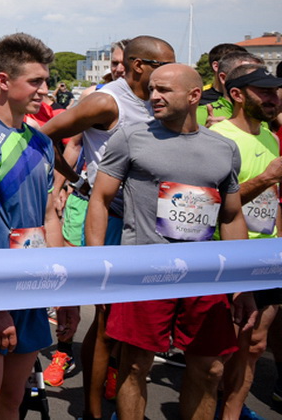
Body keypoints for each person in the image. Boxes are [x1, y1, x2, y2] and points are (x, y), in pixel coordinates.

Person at [86, 63, 256, 420]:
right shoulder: (132, 136)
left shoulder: (223, 148)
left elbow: (231, 216)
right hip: (145, 270)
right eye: (151, 89)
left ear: (195, 96)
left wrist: (243, 285)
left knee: (210, 369)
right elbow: (99, 200)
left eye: (164, 90)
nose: (153, 97)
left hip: (202, 275)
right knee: (133, 366)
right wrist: (97, 265)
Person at [0, 33, 79, 420]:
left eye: (45, 80)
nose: (45, 89)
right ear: (3, 81)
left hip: (33, 287)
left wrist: (66, 294)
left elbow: (49, 218)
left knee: (12, 401)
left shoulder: (40, 142)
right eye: (35, 81)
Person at [39, 35, 175, 410]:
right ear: (138, 66)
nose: (171, 73)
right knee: (104, 321)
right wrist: (75, 178)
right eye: (163, 66)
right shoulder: (105, 100)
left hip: (147, 224)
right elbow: (42, 136)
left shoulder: (158, 99)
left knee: (129, 321)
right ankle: (93, 409)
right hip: (110, 219)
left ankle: (114, 391)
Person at [209, 64, 282, 420]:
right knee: (220, 352)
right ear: (236, 95)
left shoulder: (269, 135)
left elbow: (275, 197)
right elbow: (216, 206)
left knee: (255, 344)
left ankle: (233, 413)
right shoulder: (219, 138)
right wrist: (267, 177)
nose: (273, 98)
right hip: (231, 255)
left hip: (267, 256)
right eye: (263, 92)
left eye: (275, 92)